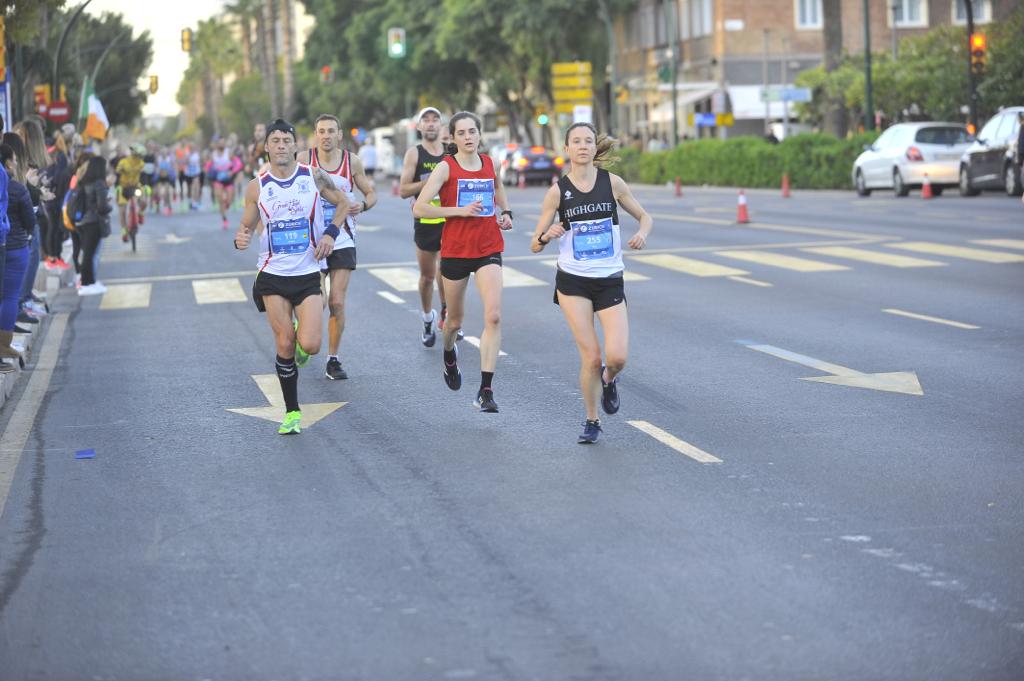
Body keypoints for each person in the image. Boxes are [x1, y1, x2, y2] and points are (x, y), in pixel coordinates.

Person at [530, 122, 653, 444]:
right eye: (576, 141)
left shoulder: (612, 183)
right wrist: (547, 234)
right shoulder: (558, 191)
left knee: (616, 358)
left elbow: (645, 216)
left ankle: (609, 380)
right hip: (573, 282)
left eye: (588, 141)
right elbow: (535, 243)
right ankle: (591, 419)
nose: (583, 146)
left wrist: (641, 233)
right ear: (567, 149)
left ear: (594, 148)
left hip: (610, 280)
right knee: (592, 357)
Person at [233, 119, 350, 434]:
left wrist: (329, 233)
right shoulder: (257, 186)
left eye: (286, 140)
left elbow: (343, 203)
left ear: (295, 145)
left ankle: (302, 340)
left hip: (308, 272)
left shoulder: (313, 177)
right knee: (284, 342)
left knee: (310, 345)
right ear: (267, 147)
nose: (281, 145)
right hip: (272, 275)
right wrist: (240, 238)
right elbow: (246, 224)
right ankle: (293, 412)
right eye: (275, 140)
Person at [413, 111, 513, 412]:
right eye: (462, 133)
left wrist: (506, 212)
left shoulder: (489, 163)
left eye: (473, 132)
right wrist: (458, 210)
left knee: (493, 315)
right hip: (455, 250)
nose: (469, 137)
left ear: (479, 135)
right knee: (454, 322)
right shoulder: (446, 168)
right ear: (453, 138)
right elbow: (419, 208)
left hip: (488, 247)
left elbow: (497, 187)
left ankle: (485, 389)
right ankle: (448, 353)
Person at [297, 114, 376, 381]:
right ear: (316, 134)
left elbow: (371, 193)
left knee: (337, 302)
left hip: (343, 235)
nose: (326, 136)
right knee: (316, 301)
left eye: (331, 131)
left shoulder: (351, 162)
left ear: (339, 135)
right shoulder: (303, 160)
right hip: (313, 236)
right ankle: (302, 334)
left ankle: (333, 360)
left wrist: (363, 205)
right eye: (321, 131)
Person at [399, 106, 454, 347]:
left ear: (441, 126)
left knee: (448, 271)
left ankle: (447, 314)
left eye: (435, 120)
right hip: (425, 222)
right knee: (427, 277)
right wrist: (431, 183)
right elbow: (403, 190)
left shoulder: (450, 153)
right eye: (426, 120)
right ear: (419, 127)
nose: (431, 124)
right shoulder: (415, 154)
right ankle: (427, 317)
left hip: (449, 220)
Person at [1, 143, 34, 371]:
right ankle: (4, 345)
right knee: (10, 296)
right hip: (15, 246)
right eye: (12, 160)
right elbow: (30, 221)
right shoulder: (17, 188)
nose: (15, 164)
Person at [75, 156, 112, 296]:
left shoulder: (84, 182)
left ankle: (90, 282)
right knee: (89, 255)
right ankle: (86, 284)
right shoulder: (99, 184)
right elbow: (102, 207)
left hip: (84, 221)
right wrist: (110, 206)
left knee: (88, 254)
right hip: (94, 222)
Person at [209, 139, 243, 229]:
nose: (222, 144)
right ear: (217, 144)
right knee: (220, 198)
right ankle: (224, 219)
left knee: (229, 200)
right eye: (220, 142)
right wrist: (209, 170)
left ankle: (227, 204)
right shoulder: (213, 154)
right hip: (218, 179)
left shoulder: (229, 153)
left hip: (228, 179)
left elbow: (238, 164)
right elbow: (209, 165)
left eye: (223, 142)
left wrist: (232, 171)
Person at [115, 144, 147, 240]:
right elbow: (117, 173)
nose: (138, 157)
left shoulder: (141, 163)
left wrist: (146, 185)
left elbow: (144, 175)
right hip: (124, 187)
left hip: (135, 186)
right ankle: (124, 230)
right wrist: (117, 185)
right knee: (122, 210)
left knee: (144, 201)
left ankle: (140, 213)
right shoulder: (123, 162)